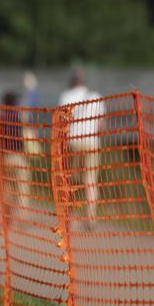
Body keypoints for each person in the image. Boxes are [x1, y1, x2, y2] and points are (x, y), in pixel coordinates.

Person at [58, 71, 105, 227]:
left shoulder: (65, 97)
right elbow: (101, 125)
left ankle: (72, 218)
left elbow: (61, 124)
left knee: (73, 181)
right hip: (91, 142)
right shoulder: (95, 96)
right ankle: (91, 218)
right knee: (90, 181)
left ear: (72, 82)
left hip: (73, 143)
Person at [0, 91, 31, 223]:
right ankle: (22, 215)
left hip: (5, 157)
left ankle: (9, 214)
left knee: (9, 188)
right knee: (22, 187)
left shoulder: (0, 118)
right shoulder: (18, 117)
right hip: (18, 157)